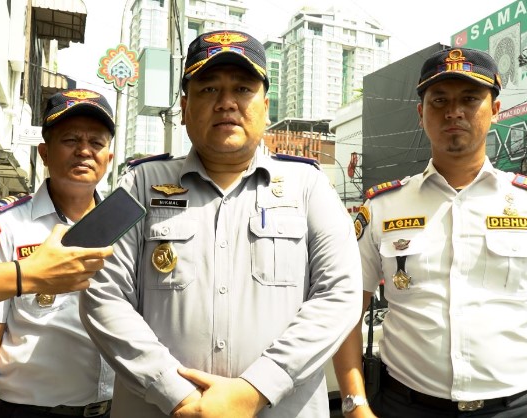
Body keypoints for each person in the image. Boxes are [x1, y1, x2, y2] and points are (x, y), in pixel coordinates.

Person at [80, 30, 362, 418]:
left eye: (243, 89)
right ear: (184, 107)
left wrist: (255, 389)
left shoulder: (310, 186)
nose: (226, 103)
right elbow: (100, 293)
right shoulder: (139, 184)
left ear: (266, 105)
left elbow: (339, 295)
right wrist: (174, 393)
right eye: (209, 89)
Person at [332, 47, 527, 418]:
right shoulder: (380, 208)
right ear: (421, 113)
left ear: (496, 109)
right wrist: (355, 405)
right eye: (439, 100)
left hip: (512, 410)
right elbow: (344, 313)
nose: (454, 111)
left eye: (470, 99)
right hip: (404, 407)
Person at [0, 88, 117, 418]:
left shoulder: (126, 225)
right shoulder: (7, 222)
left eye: (97, 143)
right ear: (44, 152)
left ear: (109, 158)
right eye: (71, 140)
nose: (84, 151)